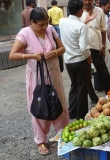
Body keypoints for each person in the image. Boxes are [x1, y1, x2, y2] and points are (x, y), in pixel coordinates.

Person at [9, 7, 69, 155]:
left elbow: (62, 49)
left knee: (59, 103)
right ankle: (40, 140)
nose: (44, 27)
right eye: (41, 24)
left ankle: (63, 133)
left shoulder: (50, 30)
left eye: (46, 23)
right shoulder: (25, 34)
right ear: (32, 22)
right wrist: (30, 56)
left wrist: (54, 52)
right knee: (39, 106)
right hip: (37, 79)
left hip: (54, 77)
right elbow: (12, 55)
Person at [59, 0, 96, 119]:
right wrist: (88, 57)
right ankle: (81, 116)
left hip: (68, 61)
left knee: (74, 86)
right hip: (80, 61)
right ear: (80, 10)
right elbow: (84, 48)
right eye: (82, 9)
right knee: (82, 89)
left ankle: (72, 112)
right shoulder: (81, 26)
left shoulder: (62, 21)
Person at [80, 0, 110, 95]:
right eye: (85, 0)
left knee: (104, 73)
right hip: (83, 48)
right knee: (86, 75)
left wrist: (103, 46)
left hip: (96, 48)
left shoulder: (99, 11)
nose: (87, 2)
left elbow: (103, 29)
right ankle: (93, 98)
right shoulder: (78, 12)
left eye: (89, 0)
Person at [94, 0, 110, 91]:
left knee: (100, 66)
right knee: (104, 67)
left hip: (103, 44)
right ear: (102, 6)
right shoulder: (101, 15)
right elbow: (103, 32)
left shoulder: (104, 15)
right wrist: (107, 47)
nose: (109, 10)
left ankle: (99, 86)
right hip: (100, 44)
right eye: (108, 7)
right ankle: (107, 87)